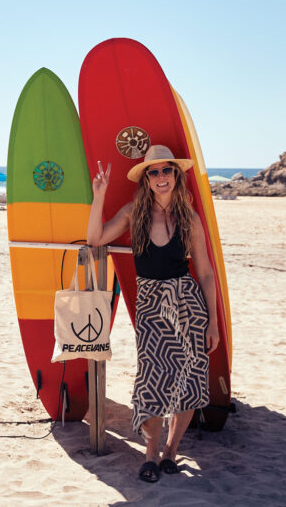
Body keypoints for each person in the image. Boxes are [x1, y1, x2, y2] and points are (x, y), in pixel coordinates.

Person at [85, 145, 218, 484]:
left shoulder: (189, 218)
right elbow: (95, 238)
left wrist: (213, 323)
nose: (161, 177)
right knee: (152, 380)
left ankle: (171, 451)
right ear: (146, 179)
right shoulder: (134, 213)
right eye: (154, 172)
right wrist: (98, 196)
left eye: (166, 170)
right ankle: (150, 453)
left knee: (190, 378)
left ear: (176, 175)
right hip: (151, 306)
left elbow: (205, 273)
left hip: (188, 305)